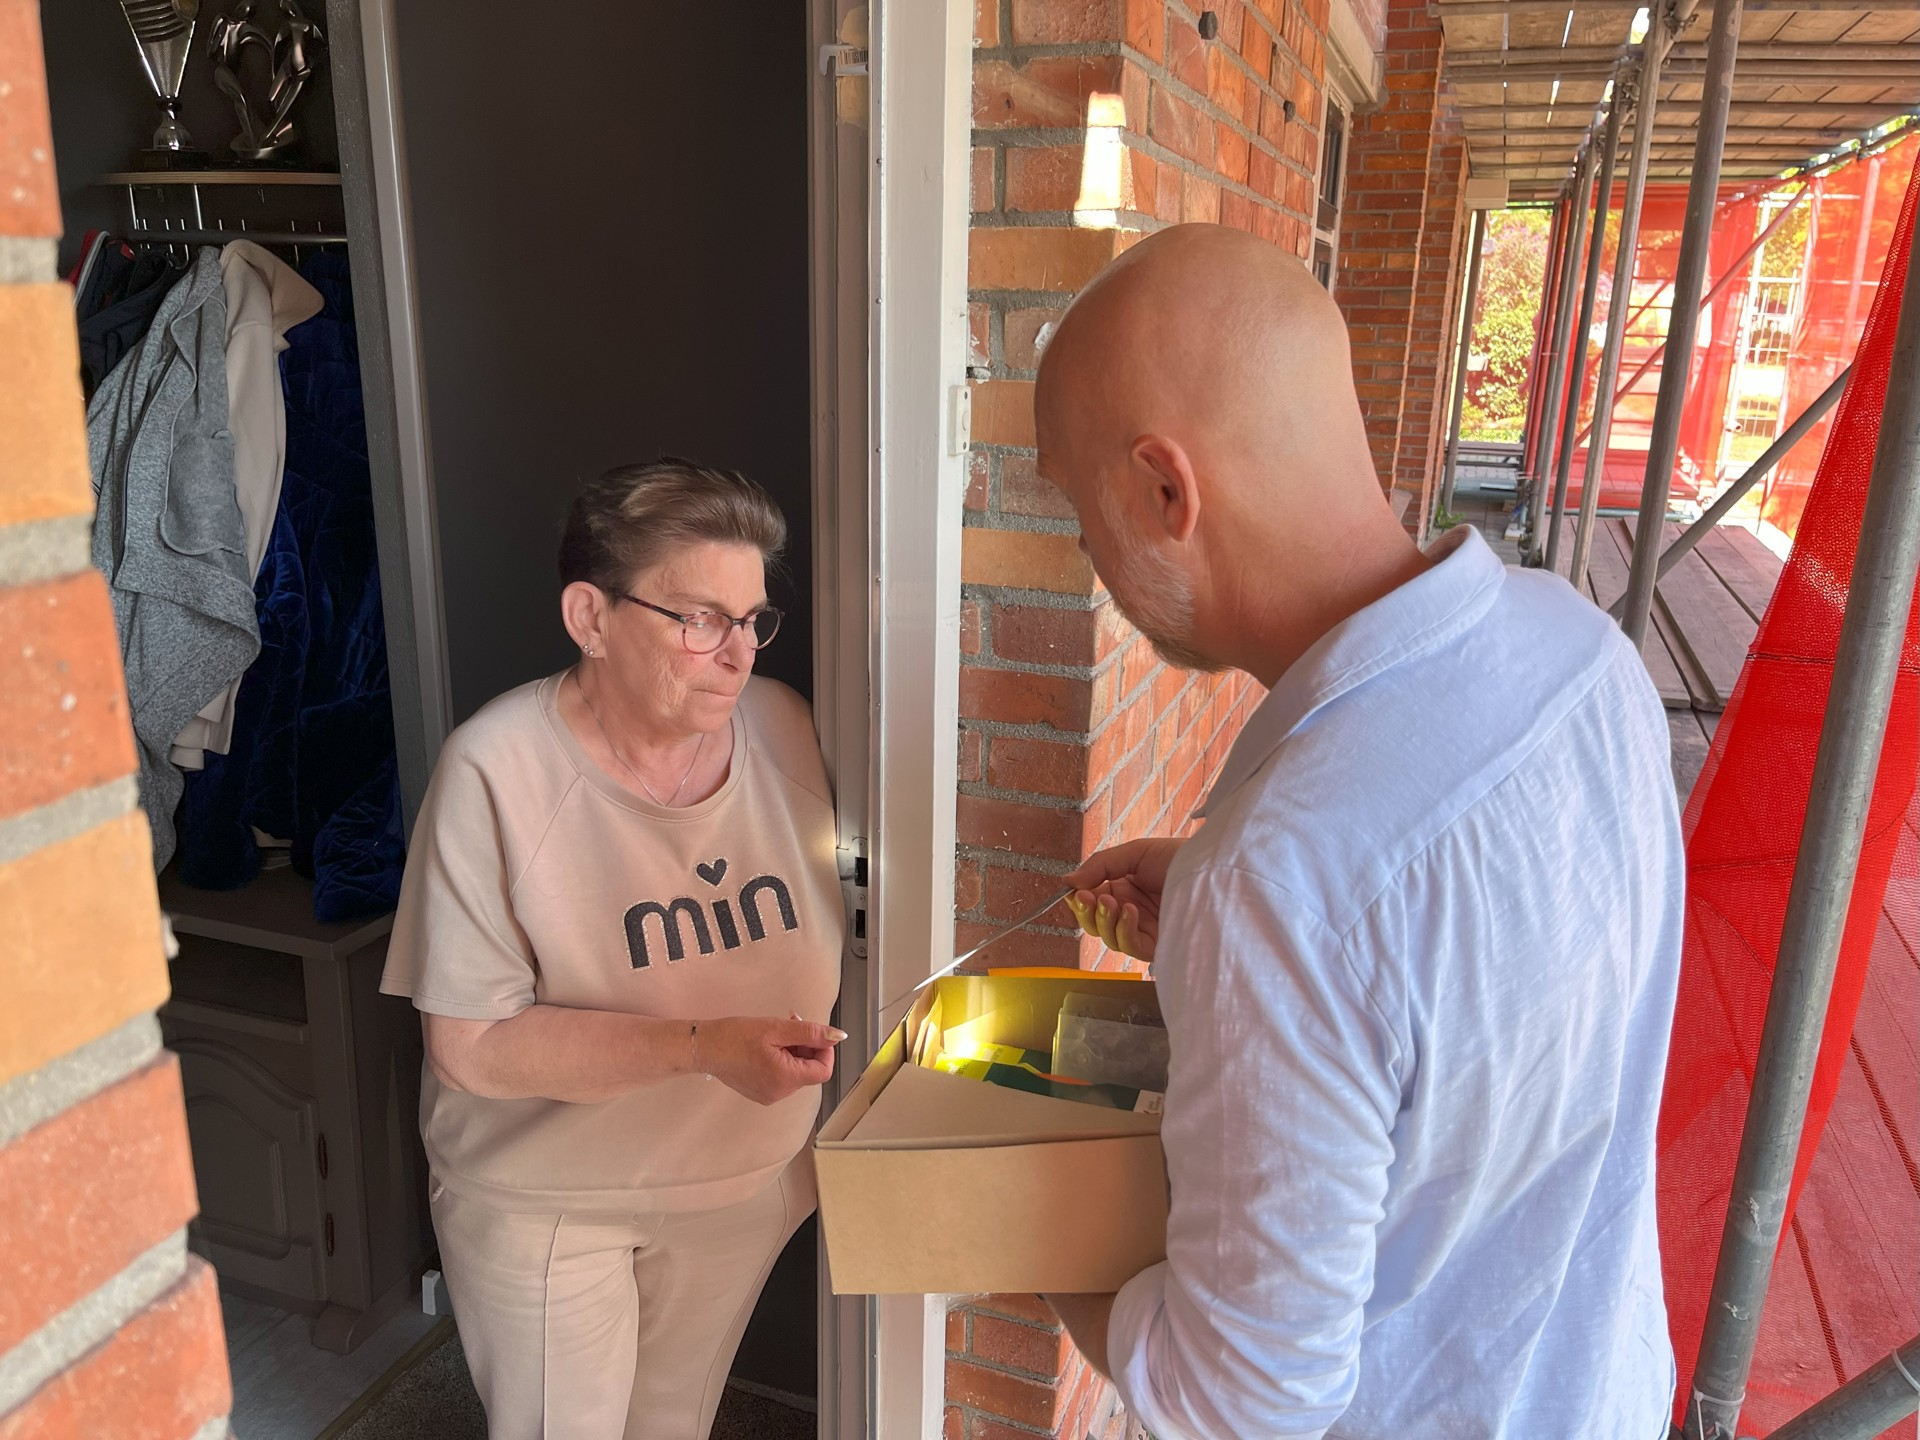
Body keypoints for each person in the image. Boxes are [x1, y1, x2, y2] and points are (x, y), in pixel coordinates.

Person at [1034, 226, 1683, 1438]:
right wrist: (1262, 939)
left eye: (1076, 503)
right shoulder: (1582, 651)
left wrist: (1020, 1224)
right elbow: (1491, 986)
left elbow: (1242, 1401)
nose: (1085, 551)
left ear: (1166, 492)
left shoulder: (1280, 882)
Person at [380, 461, 845, 1440]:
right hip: (551, 1203)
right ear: (590, 617)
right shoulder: (495, 770)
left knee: (673, 1426)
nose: (737, 655)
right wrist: (703, 1048)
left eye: (752, 620)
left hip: (738, 1188)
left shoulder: (785, 727)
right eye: (700, 619)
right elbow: (471, 1046)